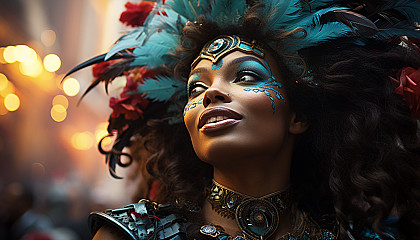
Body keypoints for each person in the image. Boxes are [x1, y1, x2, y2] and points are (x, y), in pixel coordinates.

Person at [67, 0, 420, 239]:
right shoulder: (129, 235)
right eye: (195, 87)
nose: (210, 94)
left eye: (246, 76)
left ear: (297, 116)